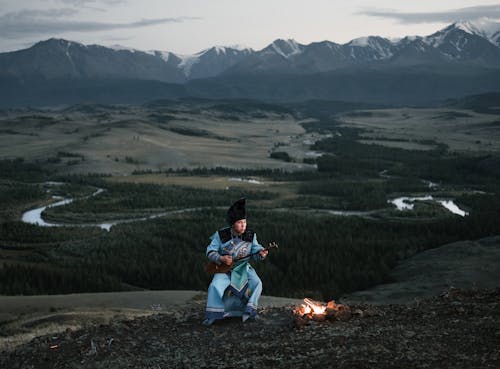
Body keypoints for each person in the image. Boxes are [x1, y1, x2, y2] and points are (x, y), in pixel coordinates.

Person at [203, 198, 268, 326]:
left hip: (244, 268)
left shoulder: (250, 235)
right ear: (233, 224)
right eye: (239, 222)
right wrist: (221, 258)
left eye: (244, 222)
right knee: (215, 286)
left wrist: (262, 253)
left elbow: (256, 251)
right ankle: (214, 316)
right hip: (225, 269)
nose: (243, 225)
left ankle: (249, 312)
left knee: (257, 283)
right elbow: (210, 251)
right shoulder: (221, 235)